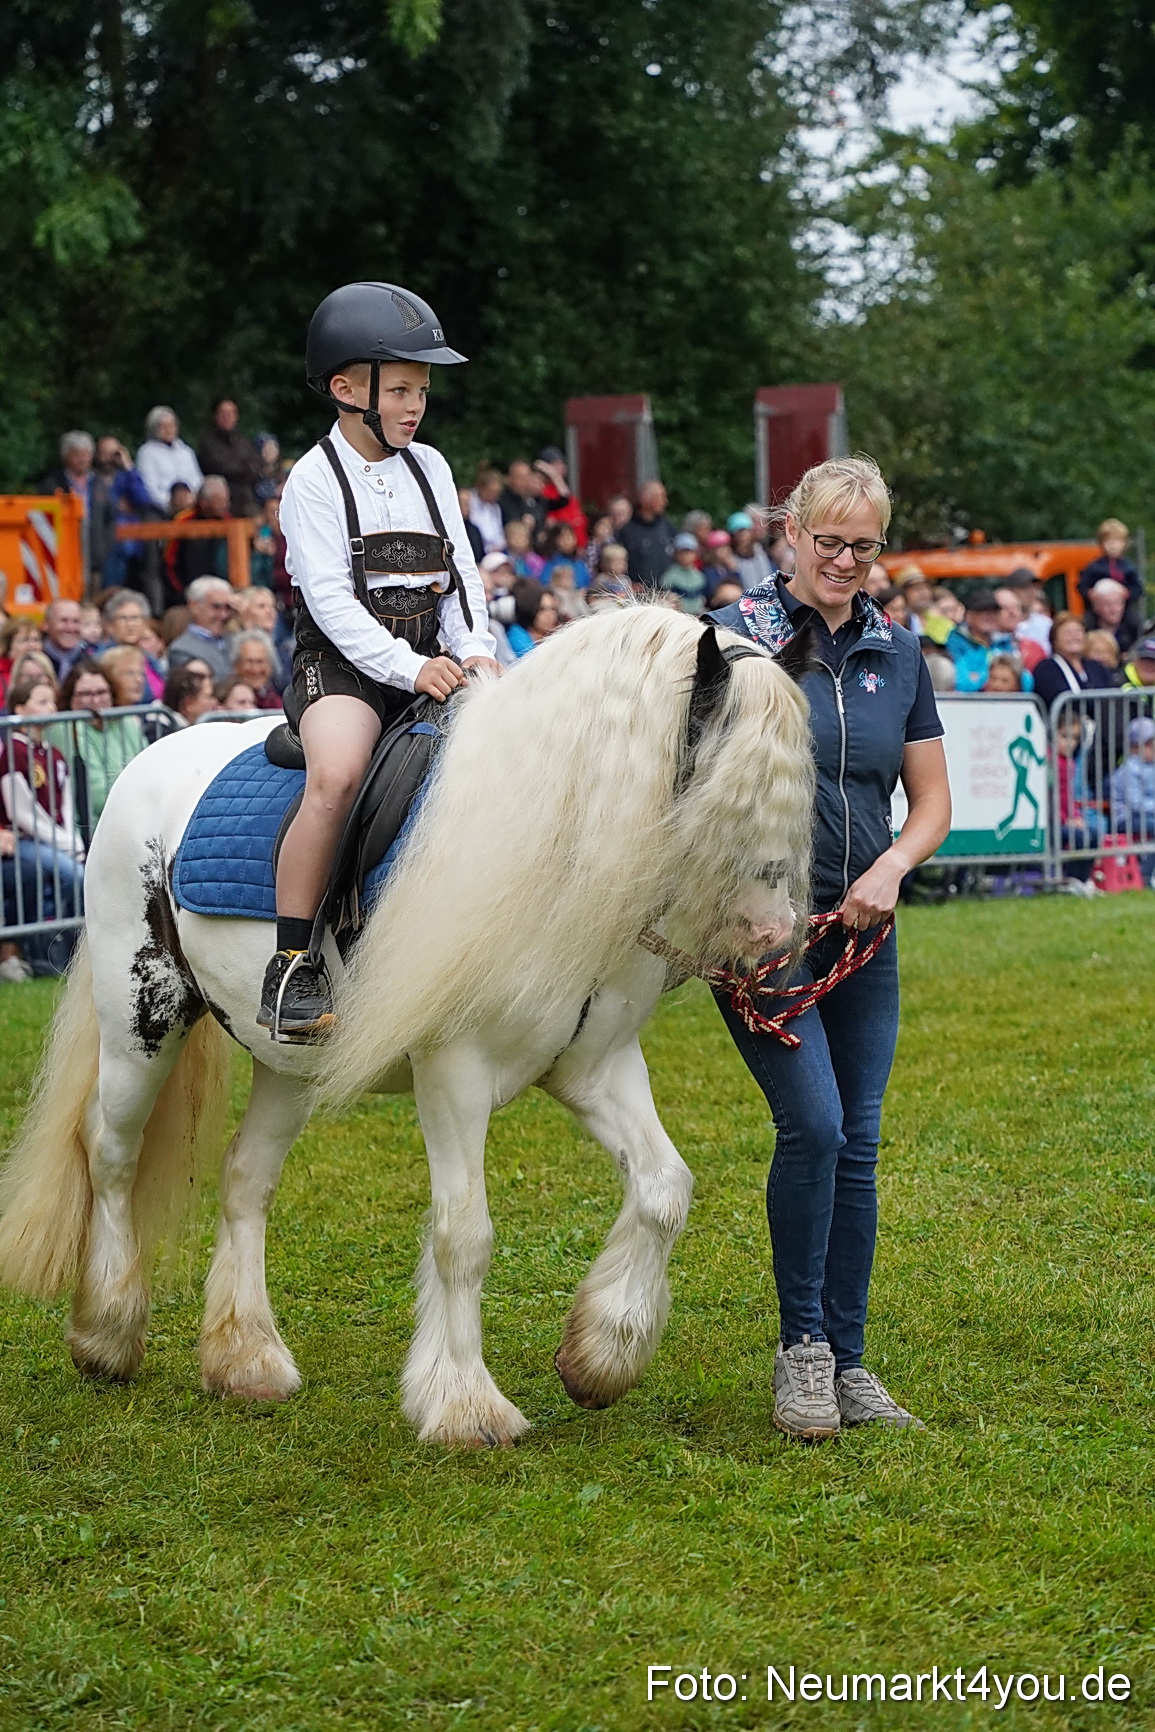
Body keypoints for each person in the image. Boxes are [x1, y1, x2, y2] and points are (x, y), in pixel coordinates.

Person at [708, 453, 950, 1440]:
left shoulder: (899, 655)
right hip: (761, 925)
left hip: (865, 925)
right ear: (792, 532)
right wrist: (736, 897)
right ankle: (800, 1352)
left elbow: (931, 800)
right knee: (813, 1126)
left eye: (865, 544)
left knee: (859, 1143)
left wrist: (891, 867)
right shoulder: (739, 643)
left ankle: (850, 1364)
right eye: (830, 540)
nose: (846, 559)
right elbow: (697, 791)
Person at [267, 280, 498, 1038]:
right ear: (344, 388)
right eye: (399, 388)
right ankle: (293, 965)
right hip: (340, 666)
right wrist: (409, 668)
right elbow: (330, 605)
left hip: (433, 656)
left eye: (421, 390)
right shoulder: (312, 480)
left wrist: (476, 652)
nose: (414, 404)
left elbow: (461, 574)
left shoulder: (430, 466)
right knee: (336, 775)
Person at [0, 673, 85, 922]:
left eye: (52, 701)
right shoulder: (14, 752)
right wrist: (65, 843)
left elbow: (66, 805)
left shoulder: (54, 753)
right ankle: (60, 940)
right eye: (42, 701)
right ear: (20, 709)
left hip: (58, 839)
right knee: (76, 876)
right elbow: (22, 814)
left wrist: (73, 841)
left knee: (84, 874)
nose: (52, 708)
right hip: (27, 839)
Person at [60, 657, 147, 829]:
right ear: (70, 698)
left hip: (138, 815)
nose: (95, 700)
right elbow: (98, 797)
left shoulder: (128, 722)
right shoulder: (69, 729)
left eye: (101, 692)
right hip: (97, 825)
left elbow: (149, 769)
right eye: (86, 694)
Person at [42, 431, 117, 588]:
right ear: (66, 456)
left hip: (95, 552)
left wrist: (104, 547)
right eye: (77, 454)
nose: (83, 458)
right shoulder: (52, 483)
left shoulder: (100, 483)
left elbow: (110, 517)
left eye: (87, 453)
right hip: (64, 553)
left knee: (93, 597)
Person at [1031, 613, 1115, 711]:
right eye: (1067, 633)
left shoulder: (1096, 667)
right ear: (1055, 639)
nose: (1074, 637)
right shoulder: (1047, 668)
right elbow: (1058, 698)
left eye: (1078, 631)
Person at [196, 397, 262, 517]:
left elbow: (256, 466)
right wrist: (243, 469)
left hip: (247, 495)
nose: (228, 417)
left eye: (231, 413)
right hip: (223, 495)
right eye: (223, 413)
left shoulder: (244, 441)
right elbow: (220, 467)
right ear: (216, 416)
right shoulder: (208, 443)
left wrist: (241, 469)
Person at [166, 576, 237, 683]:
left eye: (228, 607)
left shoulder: (235, 641)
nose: (223, 615)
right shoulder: (182, 650)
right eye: (216, 607)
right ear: (194, 607)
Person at [1110, 716, 1155, 879]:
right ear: (1136, 748)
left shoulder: (1151, 766)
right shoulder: (1130, 769)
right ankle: (1145, 874)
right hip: (1126, 818)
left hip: (1147, 816)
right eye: (1150, 745)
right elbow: (1135, 803)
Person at [136, 406, 204, 513]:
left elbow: (197, 480)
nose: (168, 429)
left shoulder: (185, 451)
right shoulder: (147, 452)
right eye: (163, 426)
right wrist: (171, 503)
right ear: (154, 428)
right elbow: (149, 487)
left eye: (171, 425)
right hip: (162, 510)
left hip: (192, 506)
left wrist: (193, 499)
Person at [173, 475, 232, 593]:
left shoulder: (228, 521)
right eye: (220, 501)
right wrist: (180, 591)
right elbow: (170, 561)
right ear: (204, 502)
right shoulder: (184, 521)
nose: (225, 505)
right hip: (187, 588)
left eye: (226, 500)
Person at [102, 592, 166, 698]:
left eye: (135, 618)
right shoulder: (103, 660)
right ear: (110, 625)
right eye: (123, 618)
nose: (130, 625)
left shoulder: (149, 658)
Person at [1078, 518, 1142, 612]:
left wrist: (1126, 593)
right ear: (1101, 544)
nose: (1113, 546)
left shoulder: (1128, 567)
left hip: (1123, 611)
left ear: (1124, 544)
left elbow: (1138, 589)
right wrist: (1091, 594)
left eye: (1117, 542)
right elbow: (1082, 586)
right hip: (1098, 611)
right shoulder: (1094, 567)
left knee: (1136, 623)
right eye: (1109, 542)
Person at [619, 480, 674, 588]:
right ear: (645, 499)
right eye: (660, 497)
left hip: (665, 593)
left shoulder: (667, 527)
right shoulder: (627, 530)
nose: (665, 501)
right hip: (638, 595)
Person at [945, 589, 1001, 692]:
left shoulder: (1006, 642)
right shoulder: (955, 643)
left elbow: (1024, 681)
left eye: (993, 611)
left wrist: (979, 675)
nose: (989, 616)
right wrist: (996, 678)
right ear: (968, 616)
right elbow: (963, 684)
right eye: (982, 611)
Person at [534, 446, 586, 547]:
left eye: (561, 463)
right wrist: (553, 475)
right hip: (561, 545)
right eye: (555, 464)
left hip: (578, 545)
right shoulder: (544, 491)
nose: (560, 467)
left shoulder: (565, 489)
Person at [229, 631, 283, 709]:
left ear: (270, 666)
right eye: (249, 662)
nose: (255, 669)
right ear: (236, 666)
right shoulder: (226, 700)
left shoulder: (275, 701)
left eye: (260, 662)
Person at [505, 580, 560, 655]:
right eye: (542, 609)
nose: (550, 615)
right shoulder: (518, 637)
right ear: (529, 609)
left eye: (553, 609)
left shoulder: (552, 635)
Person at [659, 532, 707, 614]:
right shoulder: (669, 576)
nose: (685, 556)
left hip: (697, 616)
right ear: (676, 554)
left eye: (689, 552)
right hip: (678, 616)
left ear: (696, 554)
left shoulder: (699, 576)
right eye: (682, 552)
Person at [1085, 576, 1136, 654]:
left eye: (1118, 603)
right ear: (1096, 607)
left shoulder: (1135, 629)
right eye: (1108, 604)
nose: (1114, 609)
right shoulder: (1086, 629)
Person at [41, 601, 86, 686]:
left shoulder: (89, 661)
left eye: (76, 621)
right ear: (47, 625)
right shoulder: (37, 660)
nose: (70, 628)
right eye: (63, 621)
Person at [0, 619, 44, 703]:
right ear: (8, 646)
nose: (32, 645)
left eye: (36, 640)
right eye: (24, 640)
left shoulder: (46, 672)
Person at [498, 459, 546, 535]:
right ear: (509, 479)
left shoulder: (533, 499)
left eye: (527, 478)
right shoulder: (501, 500)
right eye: (521, 478)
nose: (525, 483)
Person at [727, 511, 773, 589]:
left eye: (746, 531)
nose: (743, 536)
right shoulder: (731, 561)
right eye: (739, 532)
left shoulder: (762, 553)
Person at [539, 522, 590, 590]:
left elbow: (587, 585)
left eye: (570, 536)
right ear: (555, 541)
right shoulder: (551, 563)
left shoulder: (580, 564)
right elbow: (545, 584)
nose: (568, 540)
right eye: (563, 537)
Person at [468, 465, 507, 553]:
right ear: (481, 488)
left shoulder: (495, 508)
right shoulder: (470, 502)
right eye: (492, 491)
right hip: (478, 548)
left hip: (496, 550)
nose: (495, 496)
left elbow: (498, 532)